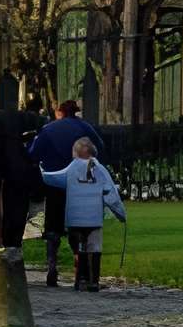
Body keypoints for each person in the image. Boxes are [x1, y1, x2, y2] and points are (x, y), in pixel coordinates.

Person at [42, 134, 127, 291]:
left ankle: (80, 280)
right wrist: (121, 214)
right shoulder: (100, 170)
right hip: (94, 219)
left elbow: (53, 178)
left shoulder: (71, 168)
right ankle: (93, 281)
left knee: (80, 248)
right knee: (95, 248)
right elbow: (111, 194)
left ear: (76, 152)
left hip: (74, 219)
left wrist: (40, 171)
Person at [27, 99, 97, 286]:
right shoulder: (86, 128)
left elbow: (33, 155)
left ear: (60, 112)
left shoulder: (49, 130)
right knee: (78, 225)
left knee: (52, 227)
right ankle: (79, 265)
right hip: (80, 184)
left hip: (53, 183)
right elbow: (100, 151)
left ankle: (52, 266)